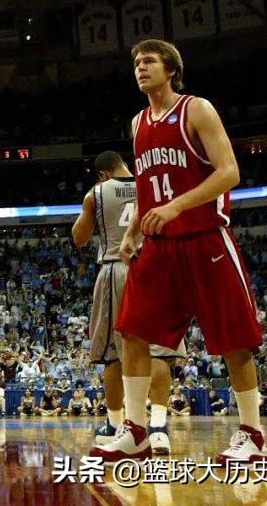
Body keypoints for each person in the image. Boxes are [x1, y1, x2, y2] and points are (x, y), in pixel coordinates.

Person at [91, 39, 267, 464]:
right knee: (130, 331)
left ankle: (252, 434)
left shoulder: (196, 109)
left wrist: (176, 206)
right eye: (136, 62)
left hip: (205, 237)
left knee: (235, 342)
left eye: (149, 60)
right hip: (159, 246)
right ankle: (135, 431)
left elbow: (229, 173)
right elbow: (150, 188)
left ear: (171, 69)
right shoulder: (137, 124)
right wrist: (133, 230)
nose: (140, 67)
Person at [72, 150, 185, 455]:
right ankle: (159, 428)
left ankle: (115, 424)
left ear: (101, 174)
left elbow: (79, 237)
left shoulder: (96, 192)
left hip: (116, 267)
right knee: (159, 350)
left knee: (114, 353)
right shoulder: (150, 184)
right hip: (157, 265)